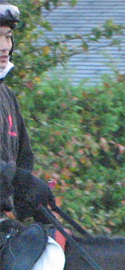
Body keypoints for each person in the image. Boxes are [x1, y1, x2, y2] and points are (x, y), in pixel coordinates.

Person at [0, 3, 55, 221]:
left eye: (8, 37)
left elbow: (23, 158)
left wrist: (29, 196)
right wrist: (19, 180)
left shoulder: (7, 96)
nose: (5, 46)